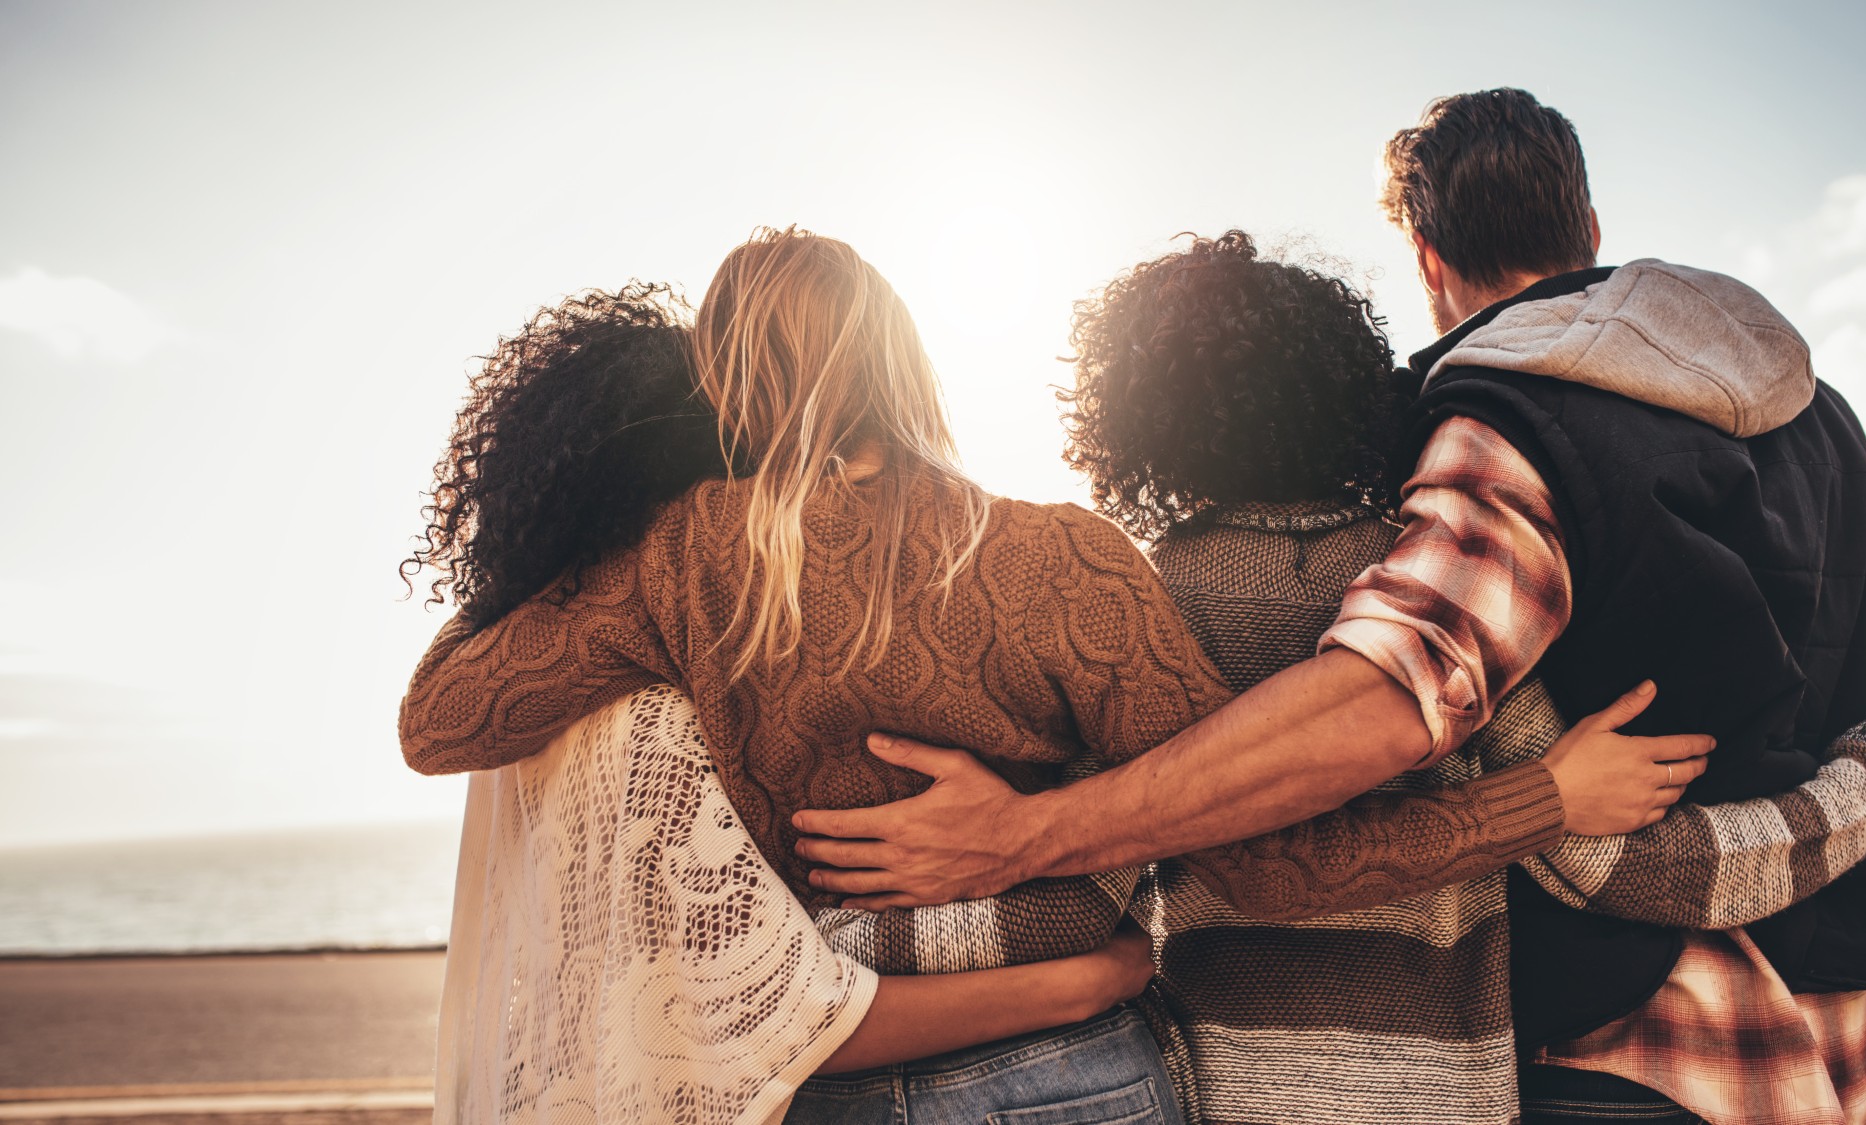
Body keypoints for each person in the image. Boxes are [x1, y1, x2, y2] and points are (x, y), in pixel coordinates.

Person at [794, 92, 1866, 1125]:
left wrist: (1011, 844)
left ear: (1422, 250)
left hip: (1614, 1052)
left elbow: (1385, 699)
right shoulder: (1829, 432)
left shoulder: (1500, 424)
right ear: (1588, 227)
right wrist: (1843, 925)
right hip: (1814, 1046)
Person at [399, 230, 1692, 1124]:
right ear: (907, 363)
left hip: (842, 1076)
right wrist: (1544, 796)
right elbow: (1269, 860)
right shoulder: (1059, 560)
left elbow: (439, 719)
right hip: (1074, 1076)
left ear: (718, 375)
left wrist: (553, 524)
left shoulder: (677, 560)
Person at [1047, 230, 1866, 1125]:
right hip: (1453, 1090)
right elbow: (1625, 863)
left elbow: (1083, 900)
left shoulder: (1147, 608)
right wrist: (1860, 788)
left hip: (1238, 1083)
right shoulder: (1840, 448)